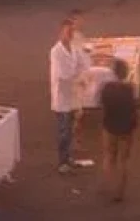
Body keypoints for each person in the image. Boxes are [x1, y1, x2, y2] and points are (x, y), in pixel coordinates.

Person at [50, 17, 91, 173]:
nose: (70, 34)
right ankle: (62, 162)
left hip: (73, 96)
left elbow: (84, 64)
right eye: (68, 32)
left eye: (72, 31)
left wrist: (81, 75)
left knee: (70, 130)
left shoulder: (74, 49)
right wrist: (80, 77)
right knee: (64, 131)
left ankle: (68, 158)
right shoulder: (56, 52)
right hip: (62, 97)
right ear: (61, 32)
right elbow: (64, 75)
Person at [98, 58, 138, 203]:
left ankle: (107, 185)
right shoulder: (130, 89)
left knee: (109, 156)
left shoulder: (106, 87)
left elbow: (101, 104)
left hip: (110, 125)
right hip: (127, 127)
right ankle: (119, 191)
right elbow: (136, 106)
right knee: (124, 159)